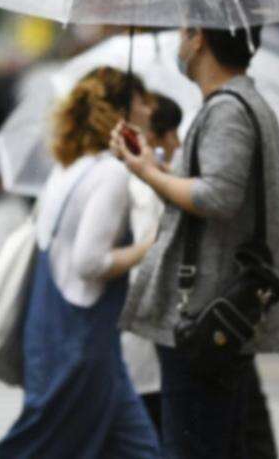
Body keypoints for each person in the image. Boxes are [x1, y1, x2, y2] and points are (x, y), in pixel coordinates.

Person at [114, 26, 279, 459]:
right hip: (217, 306)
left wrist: (146, 173)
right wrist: (148, 166)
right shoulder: (235, 104)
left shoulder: (227, 108)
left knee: (190, 448)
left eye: (185, 30)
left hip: (202, 310)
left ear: (199, 40)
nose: (178, 42)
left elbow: (216, 196)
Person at [0, 66, 161, 458]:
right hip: (81, 343)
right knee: (35, 447)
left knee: (137, 448)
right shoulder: (110, 175)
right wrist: (148, 246)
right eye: (140, 100)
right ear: (121, 110)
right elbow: (90, 262)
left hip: (56, 334)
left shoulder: (67, 169)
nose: (148, 109)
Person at [120, 93, 182, 438]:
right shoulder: (142, 188)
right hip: (143, 327)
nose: (176, 140)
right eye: (166, 131)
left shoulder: (159, 179)